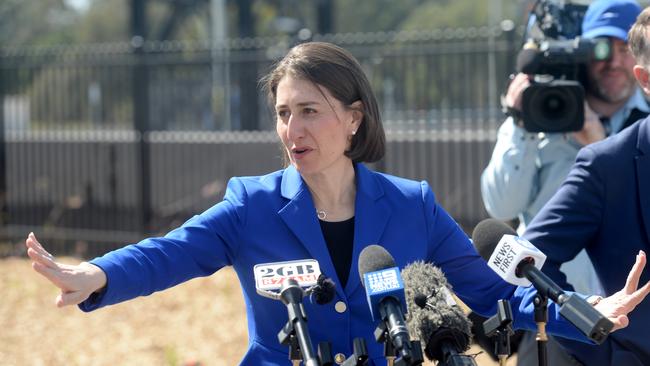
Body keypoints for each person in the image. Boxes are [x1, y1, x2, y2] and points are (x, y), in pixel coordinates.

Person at [25, 42, 650, 366]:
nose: (292, 129)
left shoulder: (414, 207)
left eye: (309, 112)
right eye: (282, 113)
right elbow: (172, 254)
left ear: (353, 119)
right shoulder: (251, 205)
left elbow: (496, 295)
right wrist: (96, 274)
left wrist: (586, 311)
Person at [480, 1, 648, 364]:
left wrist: (595, 138)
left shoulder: (642, 130)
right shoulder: (541, 116)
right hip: (561, 324)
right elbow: (501, 205)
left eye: (624, 49)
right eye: (601, 48)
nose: (613, 61)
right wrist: (519, 123)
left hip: (631, 330)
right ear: (581, 52)